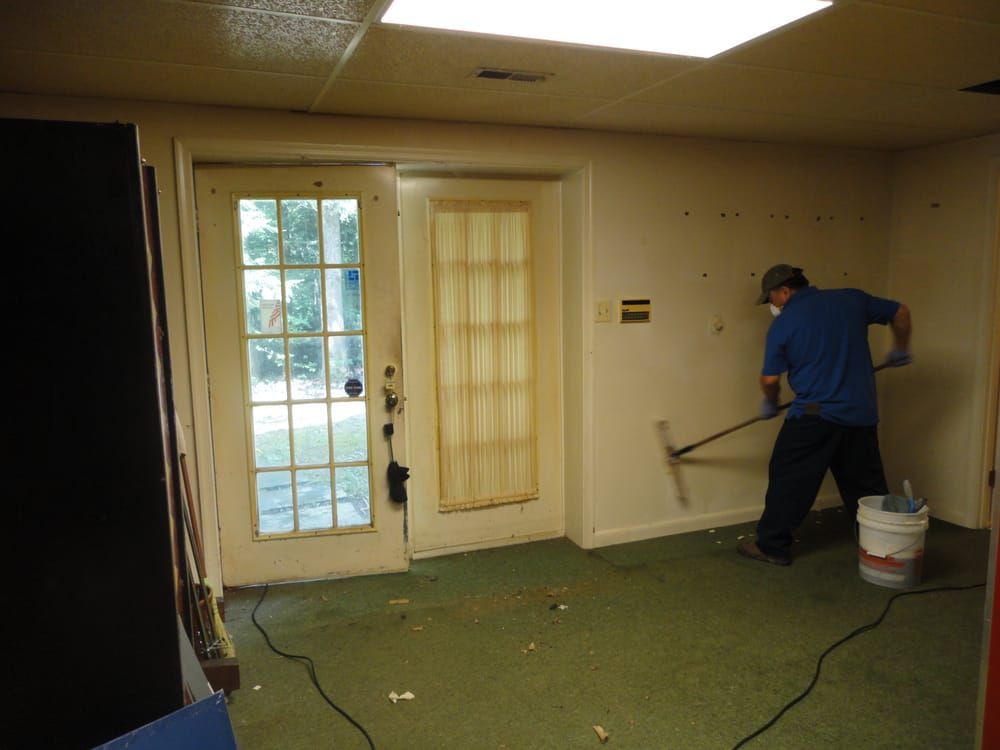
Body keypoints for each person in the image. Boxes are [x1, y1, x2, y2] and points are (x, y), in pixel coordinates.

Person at [738, 264, 912, 566]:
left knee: (788, 479)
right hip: (860, 414)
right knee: (866, 489)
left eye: (772, 299)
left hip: (815, 416)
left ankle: (772, 547)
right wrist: (900, 348)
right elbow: (901, 313)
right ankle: (884, 548)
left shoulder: (784, 324)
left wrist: (771, 401)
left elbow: (769, 380)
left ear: (784, 291)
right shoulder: (852, 300)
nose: (773, 306)